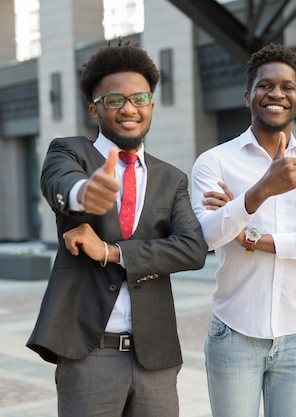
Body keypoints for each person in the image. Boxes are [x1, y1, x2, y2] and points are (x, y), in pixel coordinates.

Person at [27, 40, 208, 417]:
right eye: (114, 100)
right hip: (89, 353)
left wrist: (113, 252)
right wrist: (84, 194)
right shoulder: (70, 152)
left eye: (139, 98)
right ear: (95, 109)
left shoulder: (171, 178)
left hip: (154, 357)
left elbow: (192, 248)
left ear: (151, 106)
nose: (128, 108)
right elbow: (60, 183)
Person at [190, 43, 296, 417]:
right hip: (234, 335)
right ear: (249, 95)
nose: (276, 93)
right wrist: (261, 191)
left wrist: (252, 238)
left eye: (287, 87)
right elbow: (205, 237)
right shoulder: (214, 162)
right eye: (266, 85)